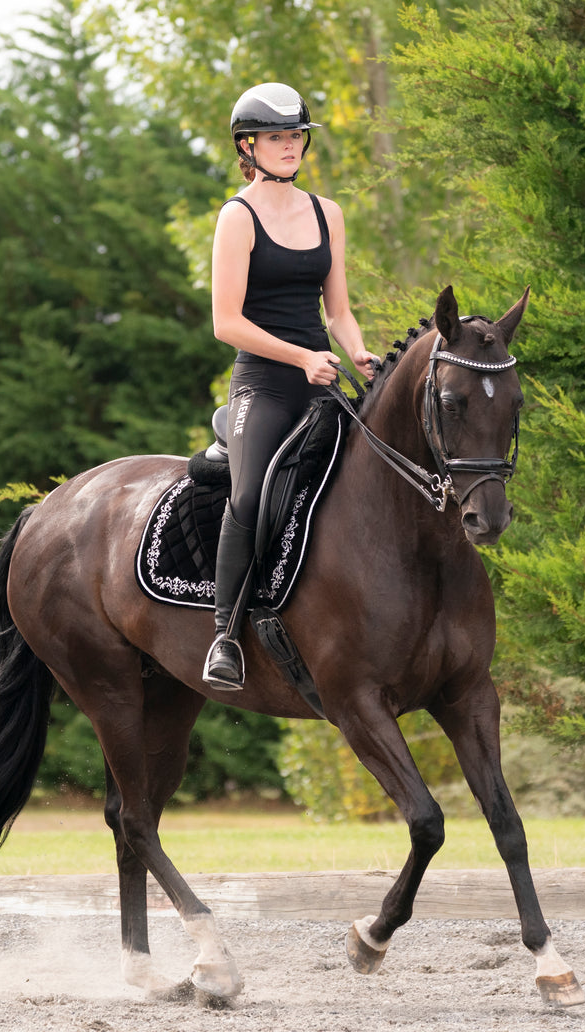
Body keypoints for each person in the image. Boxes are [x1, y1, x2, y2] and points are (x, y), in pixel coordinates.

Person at [203, 82, 378, 691]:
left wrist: (357, 352)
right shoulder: (237, 216)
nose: (290, 146)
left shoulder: (328, 213)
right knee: (249, 497)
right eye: (276, 137)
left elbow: (340, 312)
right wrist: (303, 357)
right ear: (247, 146)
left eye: (296, 136)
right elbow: (227, 323)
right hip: (266, 387)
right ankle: (225, 634)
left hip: (322, 377)